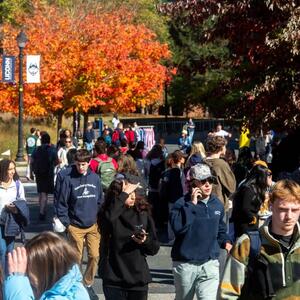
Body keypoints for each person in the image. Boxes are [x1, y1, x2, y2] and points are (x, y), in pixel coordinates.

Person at [220, 179, 300, 299]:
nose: (289, 216)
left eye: (294, 210)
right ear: (271, 206)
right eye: (282, 209)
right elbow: (227, 293)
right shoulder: (247, 244)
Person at [170, 163, 232, 300]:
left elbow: (221, 229)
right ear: (193, 183)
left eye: (210, 180)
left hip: (210, 263)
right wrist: (192, 205)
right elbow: (178, 228)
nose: (208, 185)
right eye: (203, 181)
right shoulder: (181, 204)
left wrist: (226, 242)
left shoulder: (217, 204)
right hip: (186, 264)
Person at [98, 178, 160, 300]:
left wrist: (144, 241)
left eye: (133, 193)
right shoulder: (107, 214)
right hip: (113, 278)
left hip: (137, 279)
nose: (132, 197)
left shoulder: (142, 213)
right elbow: (109, 219)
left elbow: (154, 248)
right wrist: (123, 195)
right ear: (118, 196)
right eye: (127, 194)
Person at [54, 149, 103, 300]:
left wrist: (99, 219)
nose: (81, 167)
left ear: (89, 163)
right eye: (78, 164)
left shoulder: (95, 178)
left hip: (93, 225)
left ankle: (87, 283)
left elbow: (101, 200)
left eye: (83, 164)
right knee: (77, 258)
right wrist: (67, 224)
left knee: (95, 255)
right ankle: (77, 284)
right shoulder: (69, 179)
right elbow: (61, 203)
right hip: (75, 225)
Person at [4, 232, 89, 299]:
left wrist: (16, 282)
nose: (27, 277)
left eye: (29, 274)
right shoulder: (74, 287)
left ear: (46, 272)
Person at [231, 163, 273, 238]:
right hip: (246, 225)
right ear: (261, 177)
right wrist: (253, 218)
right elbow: (245, 208)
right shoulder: (248, 189)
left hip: (251, 224)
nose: (271, 178)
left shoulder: (257, 188)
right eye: (268, 176)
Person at [0, 159, 26, 273]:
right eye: (9, 169)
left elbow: (23, 202)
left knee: (9, 252)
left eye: (13, 169)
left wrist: (15, 208)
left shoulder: (17, 184)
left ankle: (7, 277)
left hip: (11, 222)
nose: (12, 172)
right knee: (1, 250)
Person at [32, 132, 58, 221]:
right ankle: (42, 211)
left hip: (38, 173)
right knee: (44, 194)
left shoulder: (36, 149)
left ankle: (41, 208)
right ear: (49, 140)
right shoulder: (52, 149)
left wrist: (33, 171)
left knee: (41, 192)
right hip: (48, 173)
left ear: (41, 140)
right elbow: (57, 161)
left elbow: (32, 161)